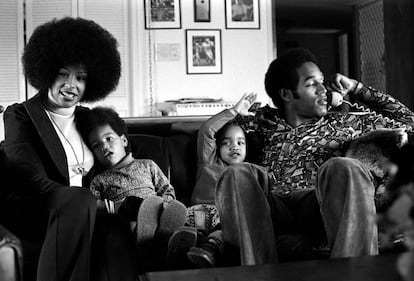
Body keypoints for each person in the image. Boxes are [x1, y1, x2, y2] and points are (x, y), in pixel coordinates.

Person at [215, 48, 414, 265]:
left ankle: (355, 273)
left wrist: (357, 88)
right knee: (237, 173)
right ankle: (256, 275)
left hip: (319, 202)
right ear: (286, 94)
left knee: (344, 166)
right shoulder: (261, 121)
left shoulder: (345, 122)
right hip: (274, 206)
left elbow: (408, 120)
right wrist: (233, 112)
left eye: (322, 82)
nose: (323, 90)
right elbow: (210, 137)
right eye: (312, 84)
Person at [0, 17, 137, 281]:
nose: (71, 85)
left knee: (115, 229)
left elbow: (119, 154)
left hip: (86, 211)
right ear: (46, 72)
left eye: (81, 78)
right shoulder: (21, 115)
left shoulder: (89, 119)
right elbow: (28, 178)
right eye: (63, 74)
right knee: (80, 198)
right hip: (38, 209)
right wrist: (90, 202)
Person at [76, 106, 187, 251]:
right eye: (96, 145)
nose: (104, 146)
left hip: (157, 210)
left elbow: (166, 189)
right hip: (127, 218)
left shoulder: (147, 165)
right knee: (131, 225)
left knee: (178, 216)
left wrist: (166, 204)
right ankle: (154, 242)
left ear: (123, 141)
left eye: (109, 138)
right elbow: (95, 207)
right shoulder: (99, 180)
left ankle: (170, 238)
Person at [168, 93, 257, 268]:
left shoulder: (250, 171)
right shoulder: (209, 161)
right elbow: (207, 130)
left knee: (226, 230)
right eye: (227, 143)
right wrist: (234, 111)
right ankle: (185, 246)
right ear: (217, 146)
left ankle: (207, 250)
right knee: (193, 227)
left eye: (240, 143)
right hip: (201, 210)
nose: (234, 147)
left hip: (227, 217)